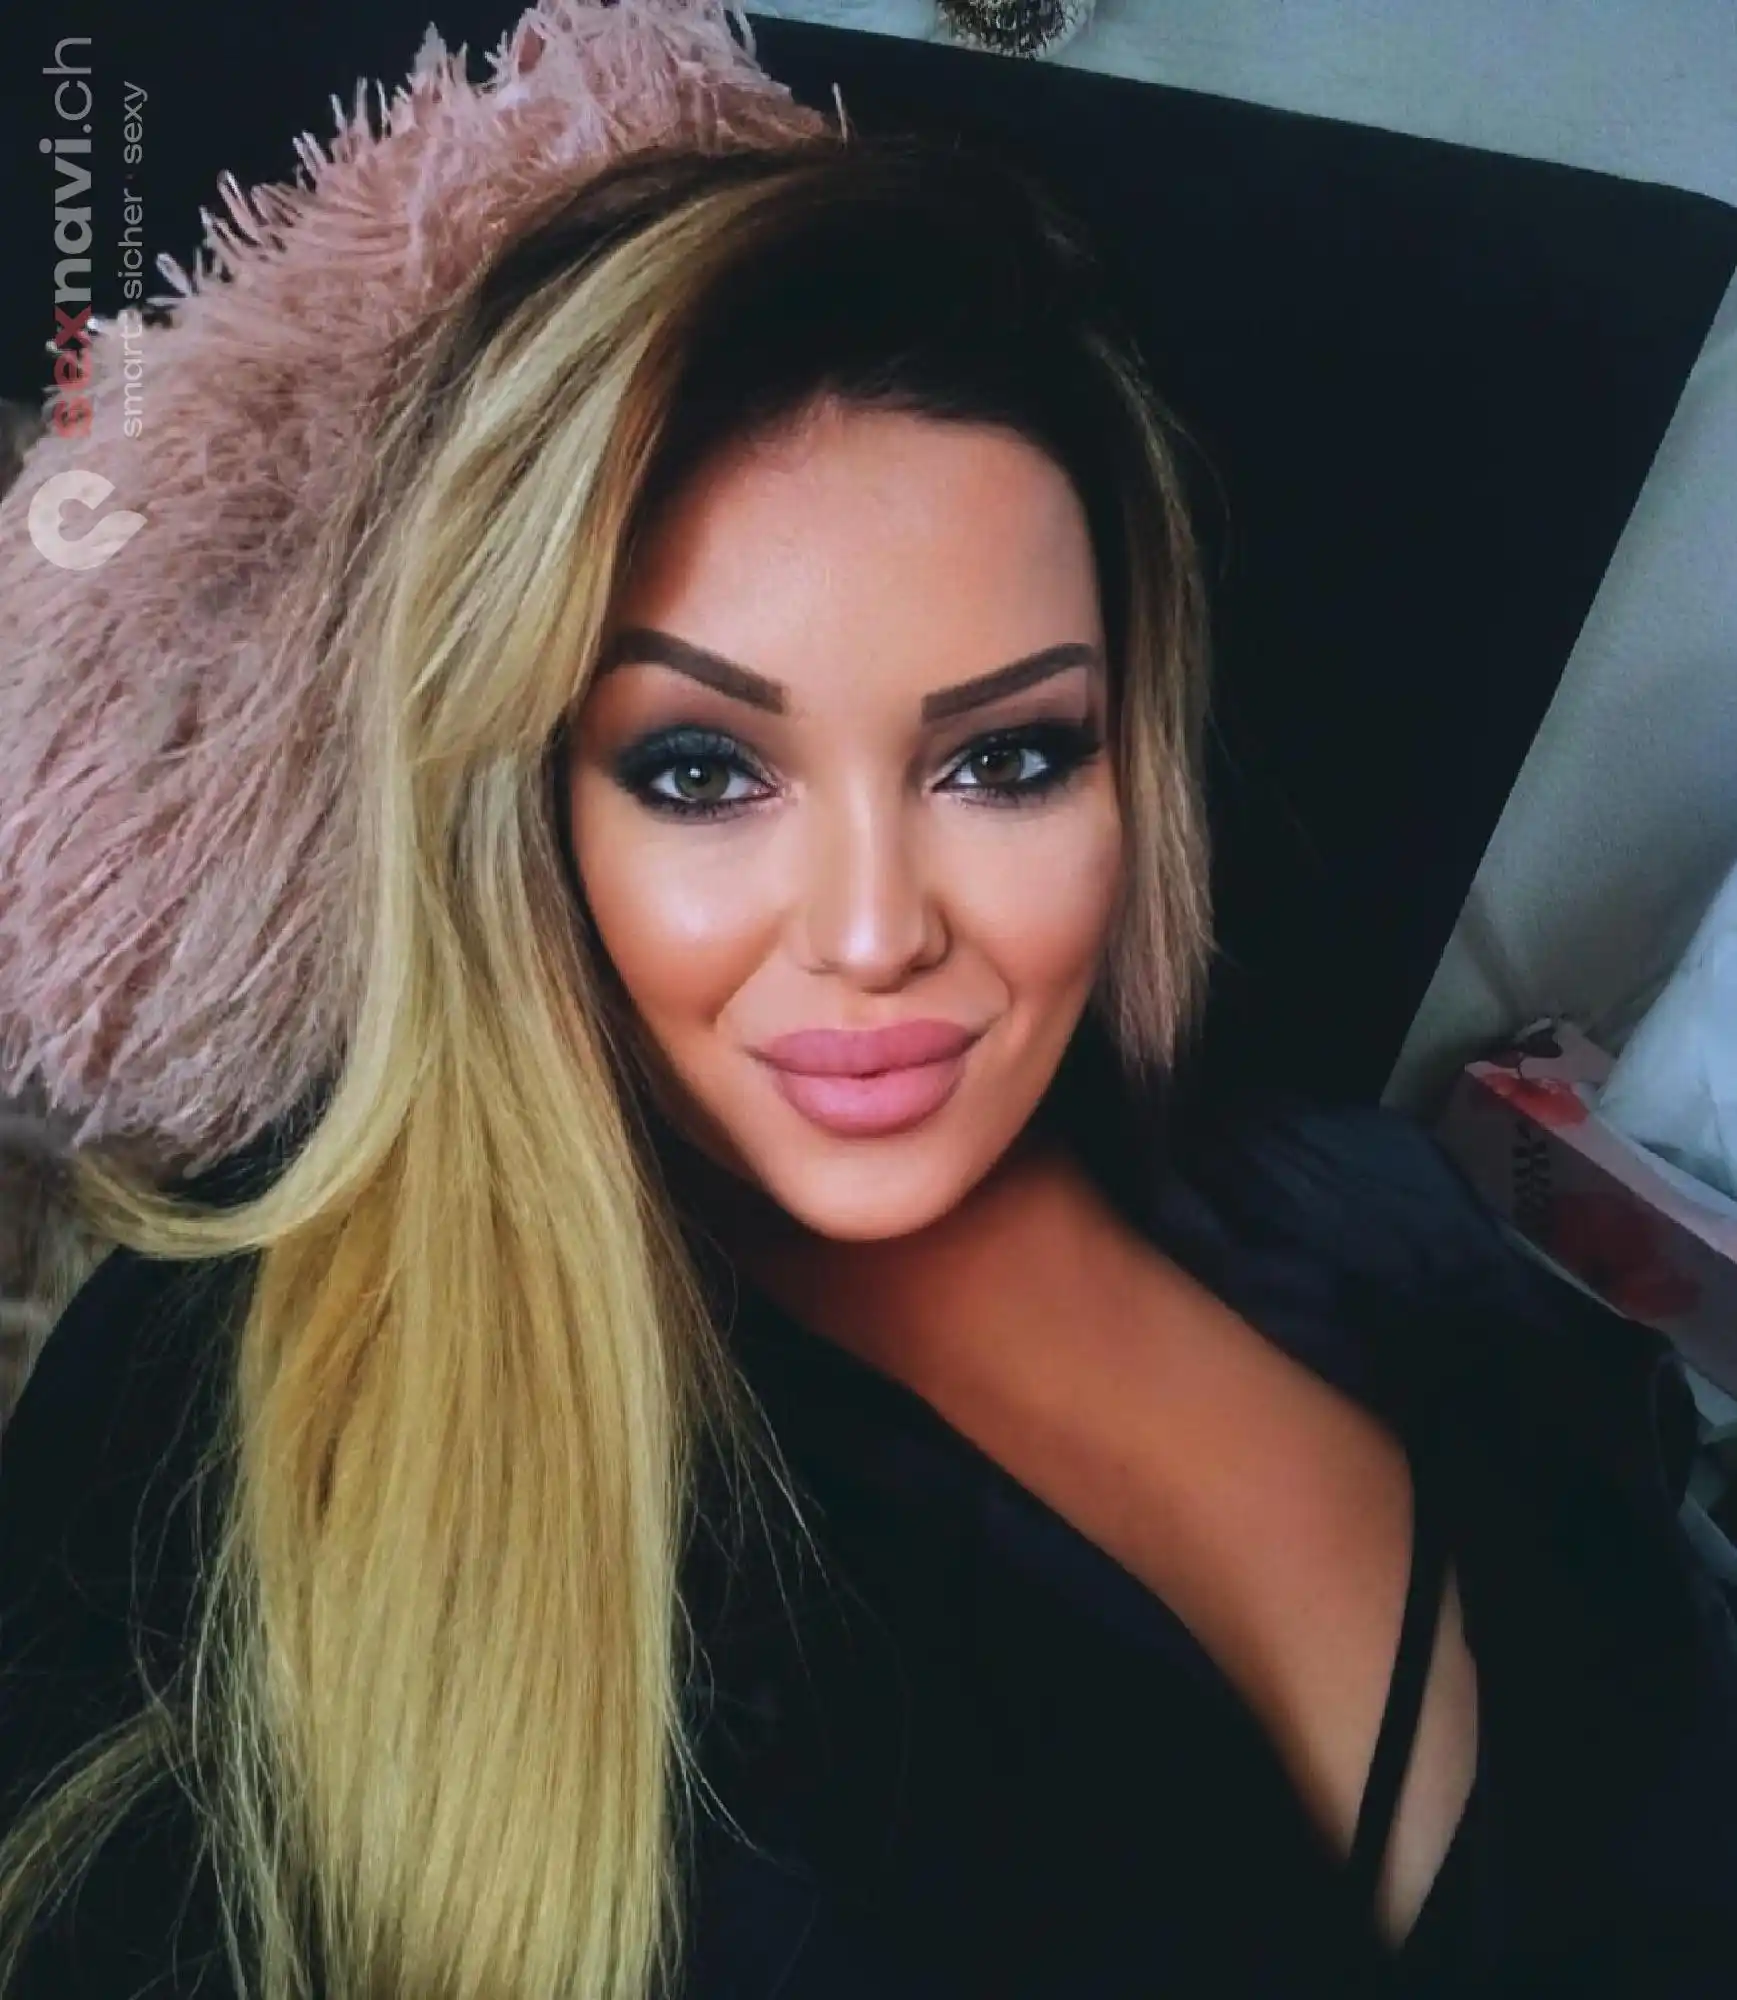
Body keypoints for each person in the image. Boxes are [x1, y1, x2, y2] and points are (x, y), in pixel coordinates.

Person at [1, 4, 1735, 1996]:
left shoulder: (1374, 1212)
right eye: (698, 769)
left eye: (1004, 758)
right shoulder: (259, 1370)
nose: (871, 929)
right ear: (524, 799)